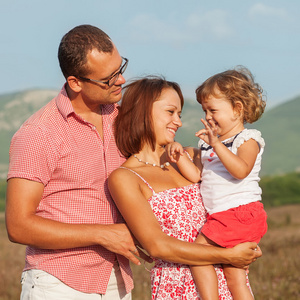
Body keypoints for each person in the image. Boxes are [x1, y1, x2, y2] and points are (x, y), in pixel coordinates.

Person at [5, 24, 151, 300]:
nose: (121, 80)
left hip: (118, 282)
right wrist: (103, 234)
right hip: (59, 284)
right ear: (75, 83)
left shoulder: (123, 119)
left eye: (121, 68)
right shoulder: (38, 133)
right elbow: (18, 225)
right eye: (109, 78)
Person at [108, 76, 262, 300]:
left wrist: (249, 240)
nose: (178, 122)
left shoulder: (192, 157)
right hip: (178, 288)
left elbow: (239, 192)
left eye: (179, 114)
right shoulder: (126, 178)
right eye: (170, 112)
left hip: (227, 283)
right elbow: (158, 246)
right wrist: (230, 255)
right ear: (141, 111)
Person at [165, 67, 268, 300]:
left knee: (197, 254)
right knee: (235, 278)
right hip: (224, 216)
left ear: (237, 109)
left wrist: (217, 145)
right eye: (204, 110)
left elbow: (241, 170)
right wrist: (180, 155)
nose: (208, 116)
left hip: (238, 213)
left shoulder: (248, 138)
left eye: (213, 110)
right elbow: (197, 176)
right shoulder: (209, 146)